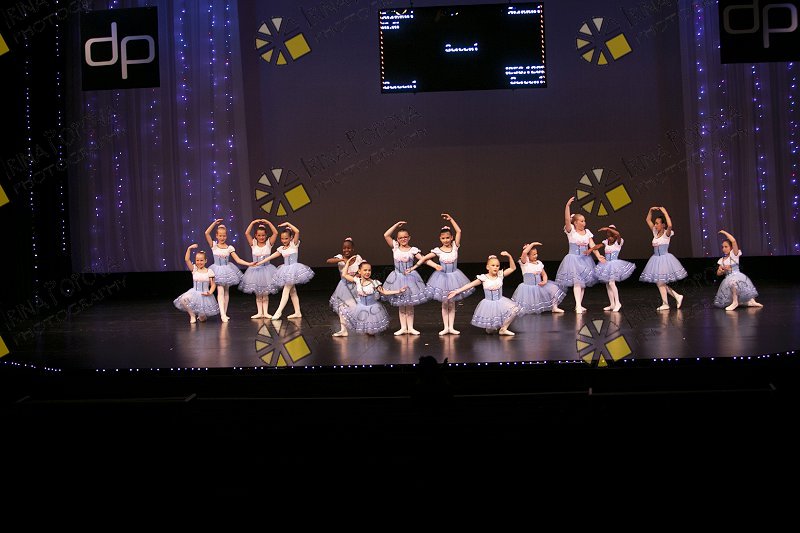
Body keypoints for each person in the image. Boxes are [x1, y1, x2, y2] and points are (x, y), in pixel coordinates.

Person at [406, 214, 473, 335]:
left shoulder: (455, 247)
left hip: (454, 277)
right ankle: (445, 327)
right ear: (440, 239)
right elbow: (424, 258)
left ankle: (451, 327)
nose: (446, 240)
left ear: (451, 238)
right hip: (442, 278)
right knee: (445, 302)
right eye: (443, 238)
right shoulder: (438, 250)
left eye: (447, 238)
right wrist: (414, 267)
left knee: (452, 302)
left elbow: (459, 231)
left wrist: (451, 219)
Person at [447, 252, 520, 336]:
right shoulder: (483, 278)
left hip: (500, 301)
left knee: (515, 309)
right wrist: (457, 291)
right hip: (489, 304)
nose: (495, 267)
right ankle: (492, 327)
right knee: (490, 331)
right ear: (487, 267)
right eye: (493, 265)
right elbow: (470, 285)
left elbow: (512, 268)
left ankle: (503, 329)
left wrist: (509, 256)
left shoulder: (500, 275)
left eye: (497, 266)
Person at [554, 197, 604, 313]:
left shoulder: (587, 232)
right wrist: (567, 206)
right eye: (581, 221)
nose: (584, 223)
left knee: (583, 284)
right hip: (573, 259)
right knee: (577, 282)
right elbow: (567, 220)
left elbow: (592, 245)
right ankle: (577, 306)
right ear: (575, 222)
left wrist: (598, 256)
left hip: (585, 260)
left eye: (584, 221)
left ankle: (579, 305)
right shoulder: (571, 231)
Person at [382, 220, 432, 335]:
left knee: (409, 304)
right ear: (397, 239)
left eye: (405, 237)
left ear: (409, 238)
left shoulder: (413, 250)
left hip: (410, 278)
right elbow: (386, 235)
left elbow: (423, 259)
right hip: (397, 278)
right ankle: (403, 328)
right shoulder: (395, 247)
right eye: (400, 238)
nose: (403, 239)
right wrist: (396, 225)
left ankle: (410, 327)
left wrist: (435, 265)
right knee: (401, 304)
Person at [259, 222, 314, 320]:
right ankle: (298, 312)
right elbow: (271, 256)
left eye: (286, 238)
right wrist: (261, 262)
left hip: (294, 270)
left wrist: (288, 223)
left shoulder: (294, 244)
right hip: (286, 270)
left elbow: (297, 231)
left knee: (286, 290)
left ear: (291, 238)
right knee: (293, 292)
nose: (284, 240)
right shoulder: (282, 249)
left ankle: (279, 311)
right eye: (282, 238)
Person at [341, 256, 407, 335]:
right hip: (360, 306)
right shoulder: (357, 280)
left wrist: (398, 291)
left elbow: (384, 292)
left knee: (370, 332)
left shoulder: (374, 282)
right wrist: (348, 263)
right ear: (359, 271)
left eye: (369, 270)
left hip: (372, 308)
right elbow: (344, 274)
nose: (367, 272)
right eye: (365, 270)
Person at [639, 206, 686, 310]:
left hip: (664, 259)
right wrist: (650, 210)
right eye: (655, 223)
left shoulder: (666, 234)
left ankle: (668, 302)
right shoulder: (655, 232)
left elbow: (670, 225)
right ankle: (675, 298)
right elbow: (647, 220)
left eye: (657, 223)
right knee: (660, 282)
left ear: (663, 225)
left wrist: (665, 212)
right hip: (656, 259)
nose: (655, 225)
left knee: (660, 282)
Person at [204, 219, 252, 322]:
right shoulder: (214, 246)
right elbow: (206, 233)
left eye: (224, 236)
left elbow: (238, 260)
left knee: (226, 292)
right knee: (220, 291)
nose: (222, 238)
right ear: (216, 236)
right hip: (217, 271)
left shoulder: (229, 248)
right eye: (220, 236)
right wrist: (214, 223)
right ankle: (222, 315)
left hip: (227, 270)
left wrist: (249, 264)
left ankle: (224, 313)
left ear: (226, 236)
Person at [714, 230, 762, 311]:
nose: (724, 249)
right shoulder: (722, 260)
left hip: (738, 276)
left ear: (731, 248)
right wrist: (721, 271)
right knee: (732, 282)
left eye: (726, 247)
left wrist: (724, 232)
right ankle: (737, 302)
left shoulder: (734, 255)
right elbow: (718, 273)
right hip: (728, 278)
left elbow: (733, 240)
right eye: (723, 247)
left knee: (736, 281)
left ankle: (750, 301)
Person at [591, 225, 636, 312]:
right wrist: (590, 250)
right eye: (608, 235)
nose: (609, 237)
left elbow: (618, 234)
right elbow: (598, 246)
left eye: (611, 235)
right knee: (608, 284)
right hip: (606, 265)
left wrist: (608, 228)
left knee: (612, 283)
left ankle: (618, 303)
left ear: (614, 235)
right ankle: (612, 304)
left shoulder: (619, 242)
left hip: (614, 265)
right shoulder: (605, 242)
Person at [511, 242, 565, 314]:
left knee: (554, 289)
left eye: (536, 254)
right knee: (528, 306)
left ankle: (554, 307)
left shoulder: (539, 263)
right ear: (528, 256)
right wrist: (532, 244)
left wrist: (544, 281)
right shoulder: (525, 263)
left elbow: (544, 274)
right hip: (528, 287)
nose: (536, 255)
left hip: (539, 285)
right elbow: (524, 252)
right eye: (533, 254)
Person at [239, 219, 278, 318]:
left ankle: (266, 313)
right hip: (255, 271)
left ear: (266, 235)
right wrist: (252, 223)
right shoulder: (253, 244)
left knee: (265, 293)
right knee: (258, 294)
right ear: (256, 236)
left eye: (263, 235)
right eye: (259, 235)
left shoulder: (269, 244)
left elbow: (275, 233)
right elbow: (247, 233)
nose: (261, 237)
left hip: (267, 270)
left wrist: (269, 223)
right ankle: (259, 312)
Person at [327, 237, 364, 336]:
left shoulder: (357, 258)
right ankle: (343, 330)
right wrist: (342, 259)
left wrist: (358, 274)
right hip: (344, 286)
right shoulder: (339, 257)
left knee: (358, 306)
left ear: (353, 249)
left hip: (355, 285)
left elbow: (363, 267)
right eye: (344, 248)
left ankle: (363, 326)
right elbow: (329, 261)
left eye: (348, 248)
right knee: (341, 307)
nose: (346, 250)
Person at [173, 244, 219, 323]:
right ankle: (192, 315)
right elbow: (187, 259)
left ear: (205, 261)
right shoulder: (194, 269)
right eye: (197, 260)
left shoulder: (209, 271)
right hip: (194, 292)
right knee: (183, 299)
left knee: (202, 319)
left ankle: (201, 315)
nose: (199, 262)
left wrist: (210, 292)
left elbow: (213, 284)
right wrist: (189, 248)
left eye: (201, 260)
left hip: (204, 294)